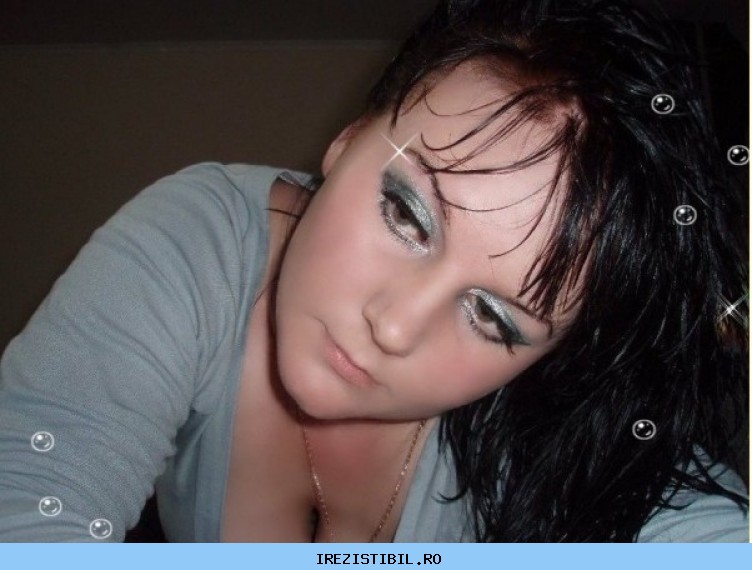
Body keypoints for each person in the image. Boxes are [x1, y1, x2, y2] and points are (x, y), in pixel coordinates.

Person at [0, 0, 748, 542]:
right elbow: (33, 494)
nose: (393, 327)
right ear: (349, 138)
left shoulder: (558, 424)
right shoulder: (200, 242)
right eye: (406, 214)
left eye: (493, 317)